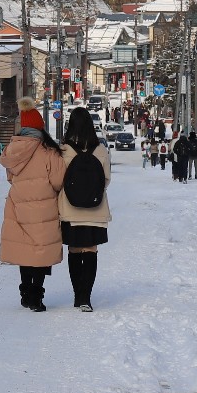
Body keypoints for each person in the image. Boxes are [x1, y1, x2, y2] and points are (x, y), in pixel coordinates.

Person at [0, 98, 65, 312]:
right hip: (44, 206)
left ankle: (25, 292)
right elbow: (58, 181)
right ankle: (36, 295)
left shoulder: (12, 149)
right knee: (41, 251)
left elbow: (11, 178)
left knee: (25, 249)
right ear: (40, 128)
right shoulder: (49, 152)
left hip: (18, 204)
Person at [57, 107, 112, 312]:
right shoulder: (101, 150)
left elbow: (58, 180)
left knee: (74, 250)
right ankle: (85, 298)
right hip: (95, 210)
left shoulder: (64, 150)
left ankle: (77, 293)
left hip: (70, 209)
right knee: (90, 251)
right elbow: (106, 180)